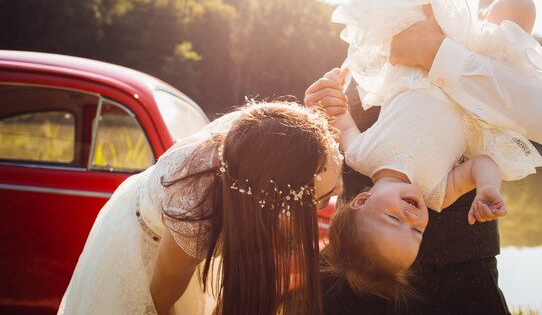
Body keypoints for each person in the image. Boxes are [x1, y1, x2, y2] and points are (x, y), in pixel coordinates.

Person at [305, 0, 542, 314]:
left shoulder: (463, 43)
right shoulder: (361, 61)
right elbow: (323, 174)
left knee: (517, 11)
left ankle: (487, 9)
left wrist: (437, 51)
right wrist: (312, 122)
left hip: (460, 282)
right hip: (351, 278)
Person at [57, 101, 344, 315]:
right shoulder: (195, 209)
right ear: (275, 195)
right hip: (151, 251)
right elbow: (156, 300)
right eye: (323, 197)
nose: (340, 191)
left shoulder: (269, 143)